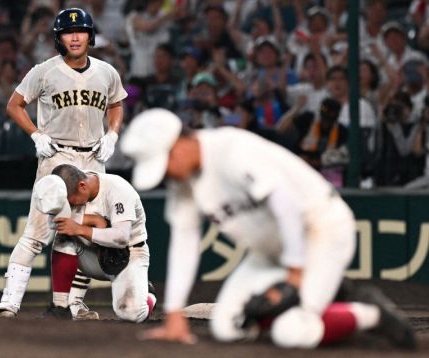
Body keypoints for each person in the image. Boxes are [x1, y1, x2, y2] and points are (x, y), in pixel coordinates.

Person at [120, 108, 415, 349]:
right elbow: (184, 242)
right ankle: (325, 293)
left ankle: (369, 313)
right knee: (227, 327)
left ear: (178, 145)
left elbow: (286, 205)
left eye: (164, 163)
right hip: (270, 251)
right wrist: (174, 314)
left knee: (292, 332)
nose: (166, 174)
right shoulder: (182, 184)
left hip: (319, 232)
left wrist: (295, 274)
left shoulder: (230, 149)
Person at [0, 8, 127, 319]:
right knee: (37, 232)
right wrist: (36, 134)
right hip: (56, 157)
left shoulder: (107, 72)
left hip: (94, 159)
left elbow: (117, 104)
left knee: (85, 235)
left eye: (81, 30)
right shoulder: (44, 70)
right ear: (59, 38)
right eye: (68, 32)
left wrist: (113, 134)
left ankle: (74, 303)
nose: (75, 36)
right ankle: (10, 301)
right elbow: (15, 105)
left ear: (91, 35)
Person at [32, 165, 156, 322]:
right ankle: (61, 306)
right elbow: (53, 223)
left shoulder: (118, 189)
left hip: (129, 255)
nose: (69, 206)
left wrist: (80, 228)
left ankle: (147, 295)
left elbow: (121, 237)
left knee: (130, 313)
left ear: (82, 186)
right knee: (63, 236)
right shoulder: (71, 186)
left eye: (70, 202)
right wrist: (90, 221)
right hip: (93, 256)